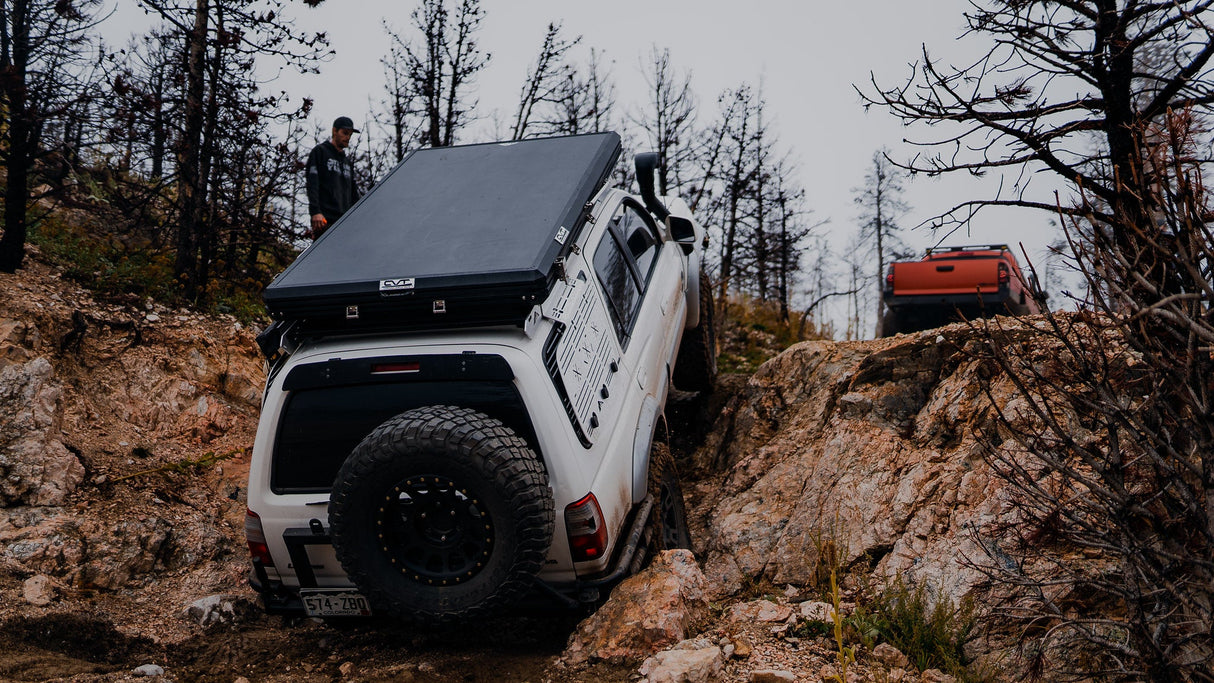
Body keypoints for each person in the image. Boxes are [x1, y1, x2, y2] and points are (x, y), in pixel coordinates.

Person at [305, 116, 362, 239]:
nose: (348, 137)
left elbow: (353, 193)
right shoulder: (320, 152)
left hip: (345, 222)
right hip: (325, 220)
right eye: (345, 133)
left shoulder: (347, 162)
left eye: (350, 134)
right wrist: (315, 212)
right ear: (334, 131)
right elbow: (312, 184)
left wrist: (358, 217)